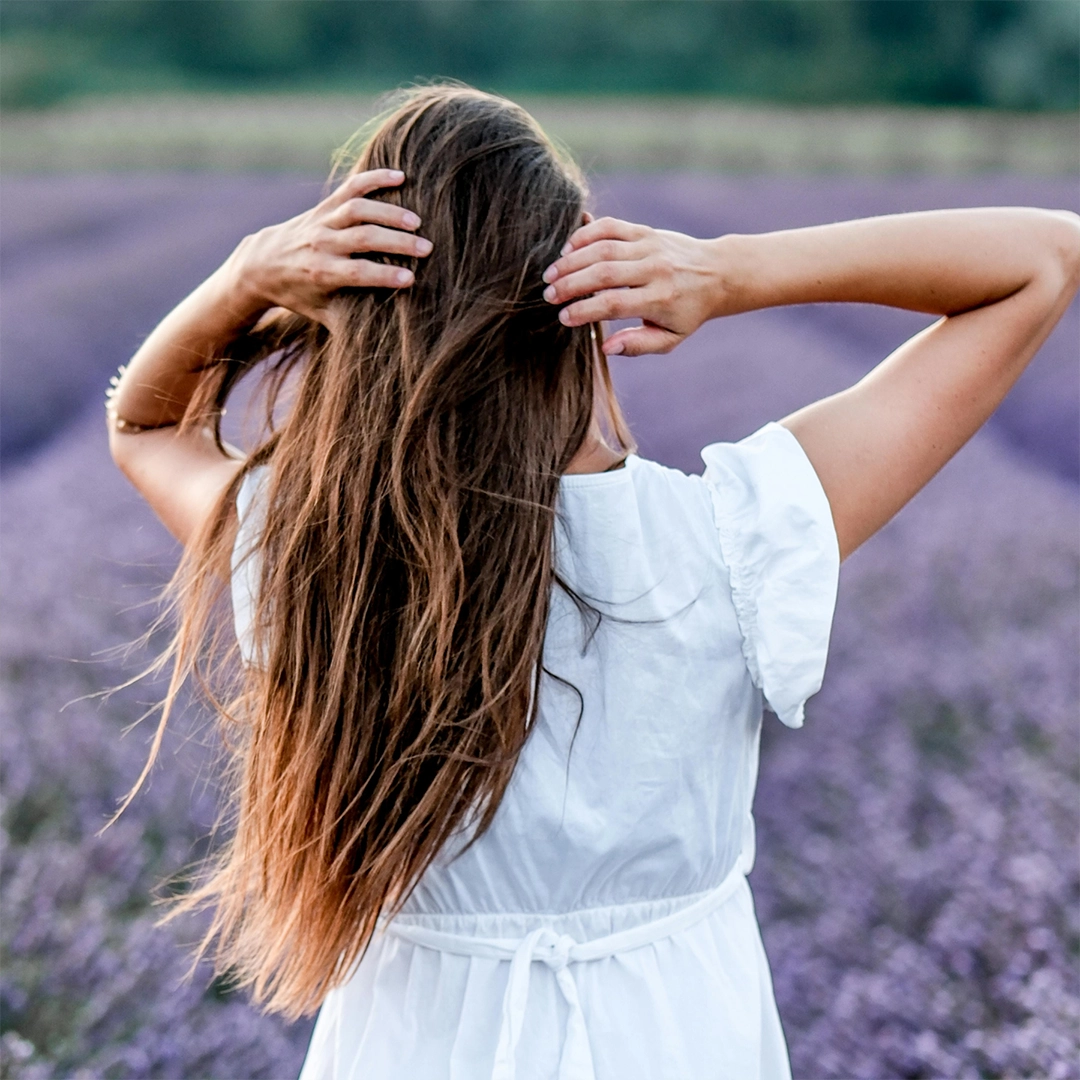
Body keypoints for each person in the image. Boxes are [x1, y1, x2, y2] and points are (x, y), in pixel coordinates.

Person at [106, 85, 1079, 1080]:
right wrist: (730, 269)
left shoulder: (314, 548)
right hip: (678, 1041)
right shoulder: (730, 538)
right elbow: (1044, 259)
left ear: (359, 321)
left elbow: (144, 426)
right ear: (579, 301)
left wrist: (241, 278)